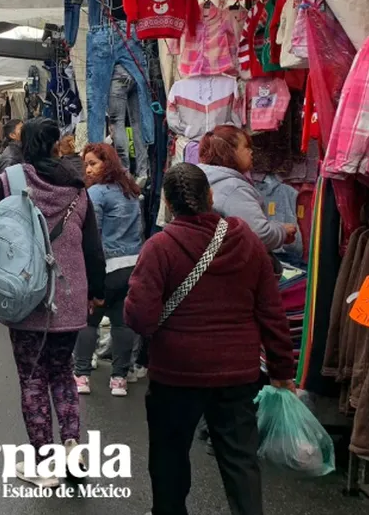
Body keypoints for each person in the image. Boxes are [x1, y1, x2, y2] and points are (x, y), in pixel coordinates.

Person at [124, 163, 296, 515]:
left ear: (169, 205)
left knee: (169, 455)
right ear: (211, 196)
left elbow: (140, 317)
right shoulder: (245, 240)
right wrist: (282, 369)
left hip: (176, 373)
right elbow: (270, 311)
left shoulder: (160, 247)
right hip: (237, 372)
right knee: (240, 459)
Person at [0, 118, 105, 487]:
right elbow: (93, 249)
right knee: (62, 373)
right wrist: (95, 293)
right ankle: (71, 447)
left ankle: (44, 464)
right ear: (57, 145)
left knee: (32, 378)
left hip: (24, 295)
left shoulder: (9, 182)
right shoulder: (77, 189)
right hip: (70, 296)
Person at [73, 143, 142, 397]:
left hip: (105, 266)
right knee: (121, 323)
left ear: (108, 163)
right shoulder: (131, 192)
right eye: (87, 164)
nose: (88, 169)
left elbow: (93, 235)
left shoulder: (97, 194)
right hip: (131, 264)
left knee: (89, 320)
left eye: (93, 163)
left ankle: (81, 375)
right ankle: (119, 378)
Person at [197, 126, 297, 253]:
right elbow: (259, 235)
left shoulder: (203, 177)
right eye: (246, 147)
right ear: (230, 151)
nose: (251, 152)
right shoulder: (233, 188)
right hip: (231, 264)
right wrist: (282, 231)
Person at [0, 119, 24, 183]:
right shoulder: (11, 157)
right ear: (12, 135)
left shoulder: (19, 150)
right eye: (22, 128)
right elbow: (8, 185)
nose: (26, 131)